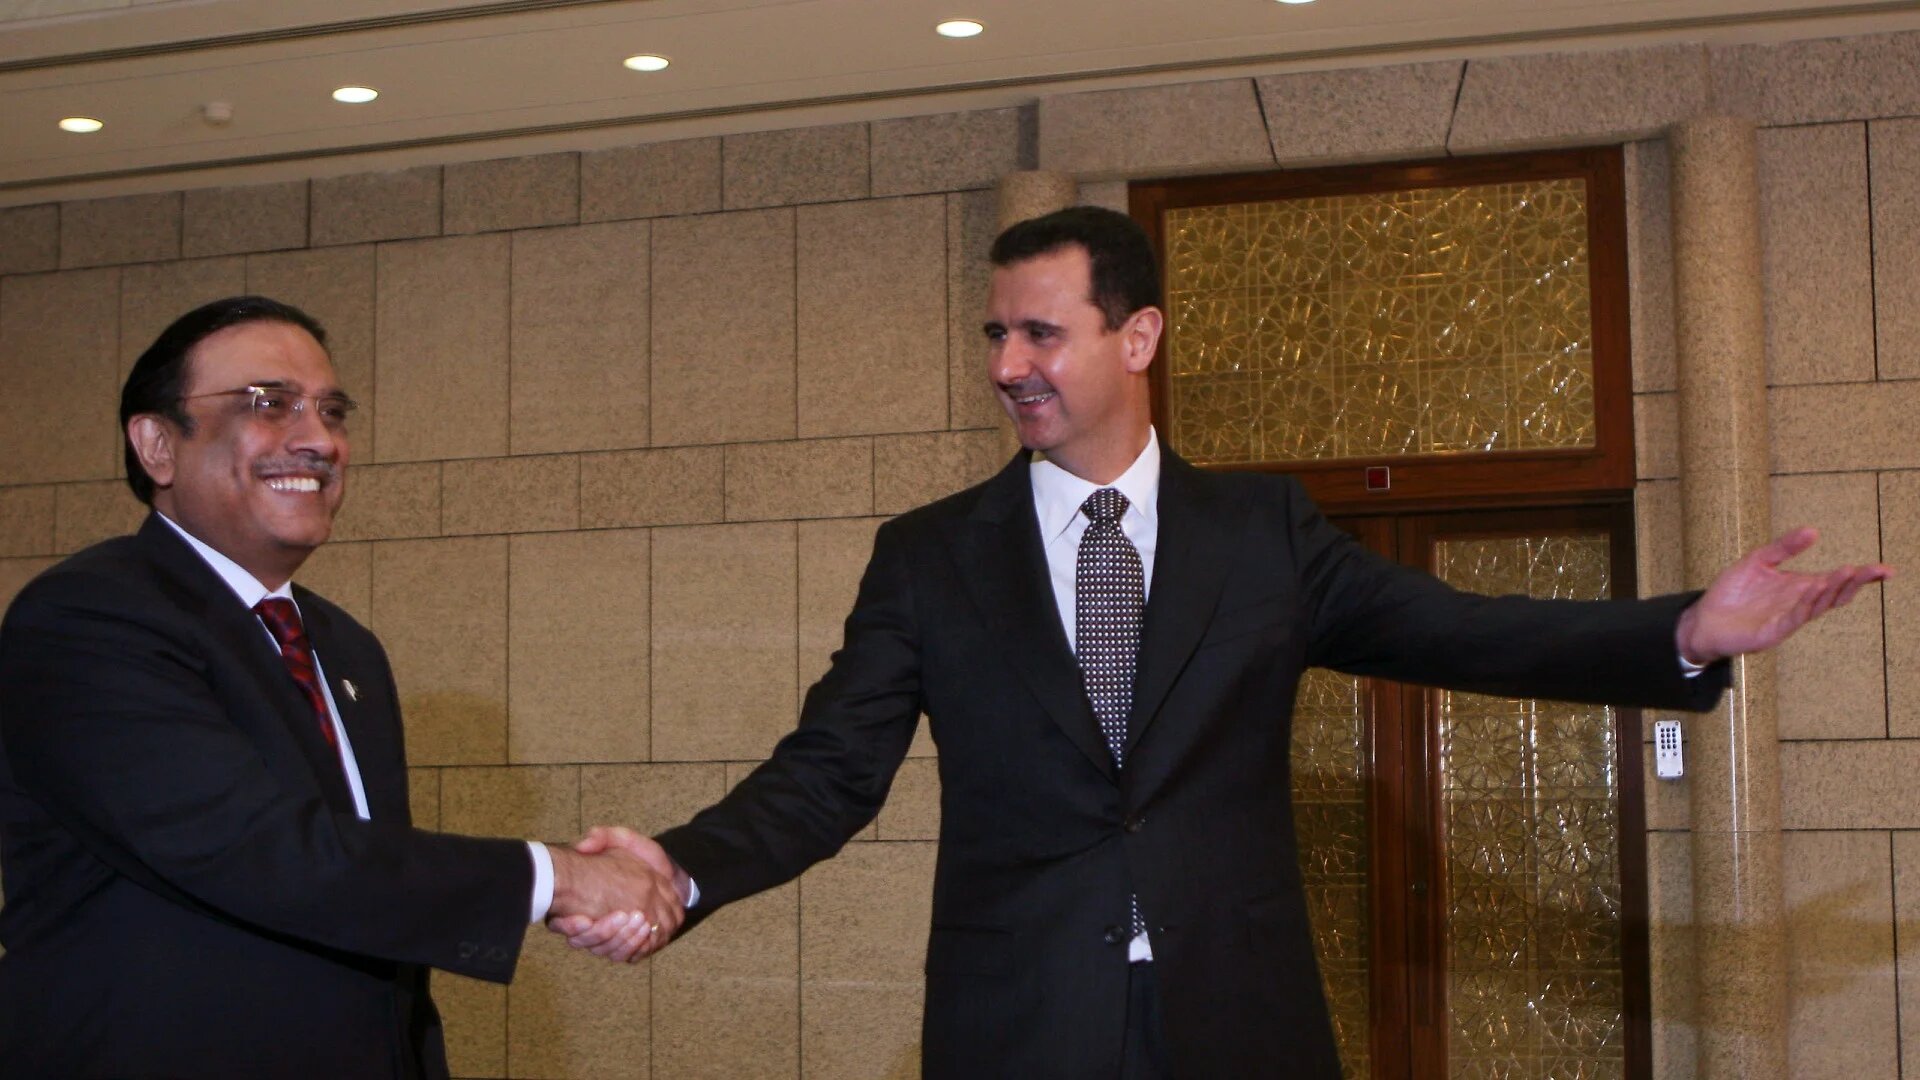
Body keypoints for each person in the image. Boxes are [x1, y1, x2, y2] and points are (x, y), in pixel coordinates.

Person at [557, 207, 1890, 1077]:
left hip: (1238, 1023)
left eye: (1041, 330)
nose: (1009, 361)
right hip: (1018, 1027)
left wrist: (1685, 631)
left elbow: (1463, 633)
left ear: (1137, 335)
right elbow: (828, 772)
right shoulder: (930, 555)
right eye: (994, 333)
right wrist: (682, 867)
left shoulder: (1263, 534)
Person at [0, 296, 683, 1079]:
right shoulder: (90, 616)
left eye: (332, 411)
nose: (318, 439)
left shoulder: (345, 646)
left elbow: (369, 893)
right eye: (269, 403)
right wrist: (559, 879)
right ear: (157, 444)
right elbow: (260, 851)